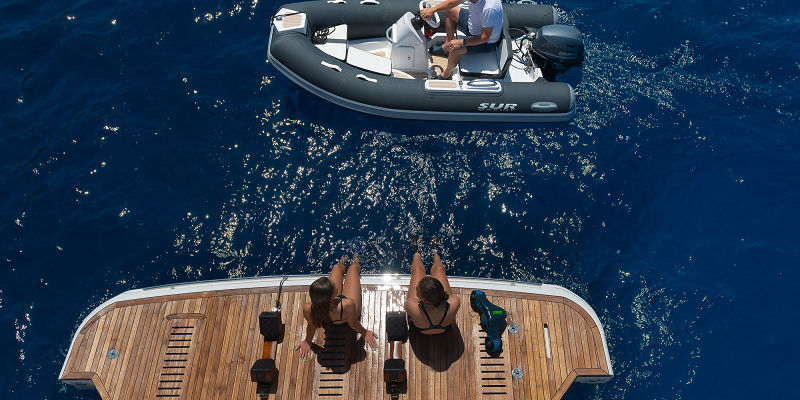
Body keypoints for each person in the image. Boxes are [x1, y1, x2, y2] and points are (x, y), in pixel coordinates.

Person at [295, 253, 378, 360]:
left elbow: (311, 326)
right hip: (344, 313)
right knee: (352, 269)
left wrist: (307, 341)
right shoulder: (347, 304)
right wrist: (364, 332)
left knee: (336, 267)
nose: (333, 284)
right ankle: (356, 259)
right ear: (332, 296)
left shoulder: (308, 308)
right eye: (333, 285)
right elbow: (352, 323)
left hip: (331, 314)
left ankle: (343, 260)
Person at [420, 0, 504, 80]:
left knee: (454, 49)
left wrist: (461, 42)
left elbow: (485, 37)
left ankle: (446, 74)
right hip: (474, 25)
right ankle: (446, 46)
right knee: (450, 11)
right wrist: (432, 10)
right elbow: (451, 4)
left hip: (486, 42)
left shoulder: (489, 8)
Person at [404, 236, 461, 334]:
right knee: (439, 269)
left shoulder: (411, 304)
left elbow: (408, 313)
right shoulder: (455, 301)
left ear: (422, 299)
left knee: (417, 270)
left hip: (421, 330)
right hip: (446, 328)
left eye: (417, 293)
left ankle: (416, 253)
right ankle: (436, 254)